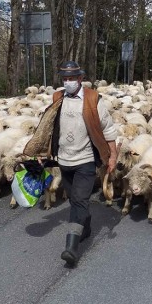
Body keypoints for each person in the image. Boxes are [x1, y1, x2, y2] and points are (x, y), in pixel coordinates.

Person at [50, 61, 117, 266]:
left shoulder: (93, 99)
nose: (68, 82)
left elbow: (108, 128)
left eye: (72, 78)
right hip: (64, 159)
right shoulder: (57, 98)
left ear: (80, 78)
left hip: (86, 159)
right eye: (65, 78)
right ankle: (85, 225)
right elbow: (48, 126)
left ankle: (71, 247)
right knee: (74, 199)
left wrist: (112, 155)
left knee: (79, 199)